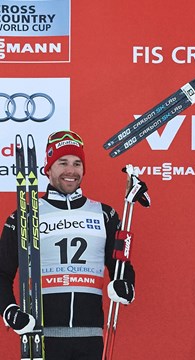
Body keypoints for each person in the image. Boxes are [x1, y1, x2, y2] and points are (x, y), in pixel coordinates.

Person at [0, 130, 136, 360]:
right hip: (40, 335)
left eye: (77, 163)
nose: (71, 171)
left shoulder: (104, 214)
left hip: (91, 336)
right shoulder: (25, 216)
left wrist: (126, 286)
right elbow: (2, 273)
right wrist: (9, 310)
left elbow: (121, 266)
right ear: (48, 168)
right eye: (62, 162)